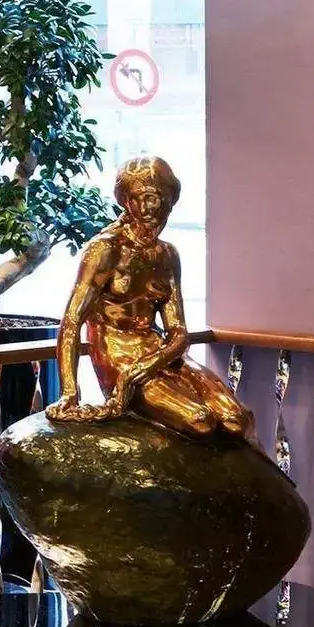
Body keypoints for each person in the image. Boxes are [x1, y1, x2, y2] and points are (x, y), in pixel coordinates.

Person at [48, 156, 249, 439]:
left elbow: (178, 333)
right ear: (126, 203)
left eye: (155, 198)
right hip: (117, 355)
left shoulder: (168, 255)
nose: (147, 208)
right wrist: (70, 391)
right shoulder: (105, 250)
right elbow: (71, 322)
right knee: (200, 421)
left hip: (158, 355)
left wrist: (152, 363)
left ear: (169, 202)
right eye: (137, 199)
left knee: (235, 420)